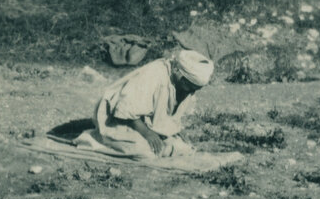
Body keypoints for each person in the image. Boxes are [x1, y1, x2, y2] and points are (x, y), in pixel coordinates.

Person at [74, 49, 215, 159]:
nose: (191, 93)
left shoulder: (184, 85)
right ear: (182, 77)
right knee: (144, 153)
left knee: (182, 148)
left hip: (144, 122)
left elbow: (167, 112)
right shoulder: (153, 75)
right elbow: (124, 111)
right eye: (190, 88)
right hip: (116, 119)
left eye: (195, 90)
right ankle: (92, 138)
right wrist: (147, 133)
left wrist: (174, 131)